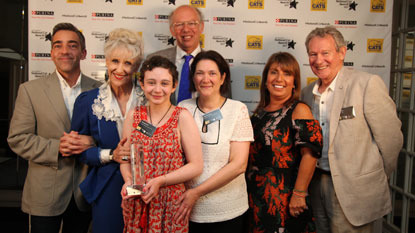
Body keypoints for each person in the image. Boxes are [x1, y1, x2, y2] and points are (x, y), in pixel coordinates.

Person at [301, 26, 403, 233]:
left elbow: (391, 140)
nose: (319, 60)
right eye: (313, 54)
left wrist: (372, 176)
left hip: (354, 191)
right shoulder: (306, 93)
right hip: (316, 184)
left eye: (325, 53)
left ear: (342, 52)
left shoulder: (366, 84)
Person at [7, 22, 101, 233]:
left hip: (85, 192)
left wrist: (91, 142)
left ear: (83, 53)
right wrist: (56, 147)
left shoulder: (101, 90)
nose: (65, 51)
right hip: (44, 192)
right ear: (51, 53)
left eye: (72, 45)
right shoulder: (30, 90)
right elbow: (18, 138)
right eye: (58, 45)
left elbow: (110, 136)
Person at [63, 28, 145, 233]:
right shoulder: (88, 101)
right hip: (107, 186)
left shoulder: (149, 99)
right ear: (107, 61)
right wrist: (110, 154)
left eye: (128, 63)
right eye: (115, 61)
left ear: (136, 66)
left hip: (146, 185)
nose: (120, 69)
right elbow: (78, 151)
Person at [120, 55, 203, 233]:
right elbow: (125, 158)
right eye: (151, 82)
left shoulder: (182, 116)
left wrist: (161, 181)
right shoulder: (133, 115)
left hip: (170, 203)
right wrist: (128, 181)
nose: (157, 89)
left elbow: (196, 166)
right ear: (142, 84)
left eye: (164, 83)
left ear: (174, 86)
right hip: (137, 200)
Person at [175, 50, 253, 233]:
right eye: (199, 73)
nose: (205, 79)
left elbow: (239, 165)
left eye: (212, 73)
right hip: (187, 210)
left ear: (222, 77)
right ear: (193, 78)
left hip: (228, 211)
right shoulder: (182, 108)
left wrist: (196, 192)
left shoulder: (237, 110)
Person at [246, 52, 323, 233]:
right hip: (257, 198)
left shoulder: (299, 109)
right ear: (266, 80)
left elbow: (310, 155)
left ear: (294, 82)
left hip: (286, 198)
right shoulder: (259, 113)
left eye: (287, 74)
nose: (279, 78)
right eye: (274, 72)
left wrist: (299, 193)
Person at [148, 5, 204, 104]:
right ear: (172, 30)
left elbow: (223, 107)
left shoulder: (216, 63)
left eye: (191, 23)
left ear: (201, 27)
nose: (186, 29)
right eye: (179, 24)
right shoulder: (154, 59)